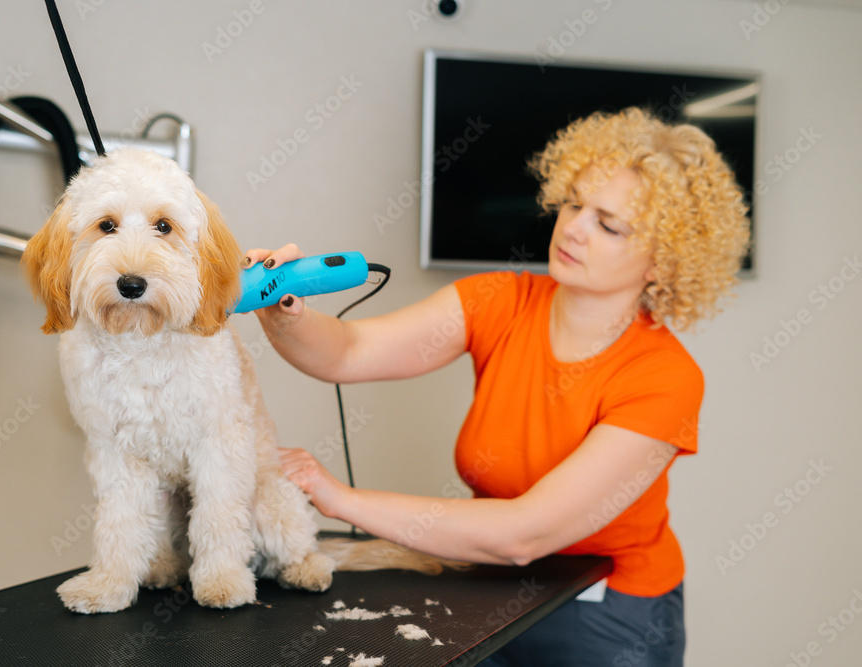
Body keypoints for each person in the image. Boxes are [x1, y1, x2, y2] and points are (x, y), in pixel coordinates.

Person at [244, 107, 750, 666]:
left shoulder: (665, 377)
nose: (574, 227)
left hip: (613, 612)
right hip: (491, 588)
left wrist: (338, 497)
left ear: (663, 262)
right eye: (574, 203)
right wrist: (284, 308)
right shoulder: (499, 302)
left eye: (608, 225)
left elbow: (524, 534)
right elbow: (348, 351)